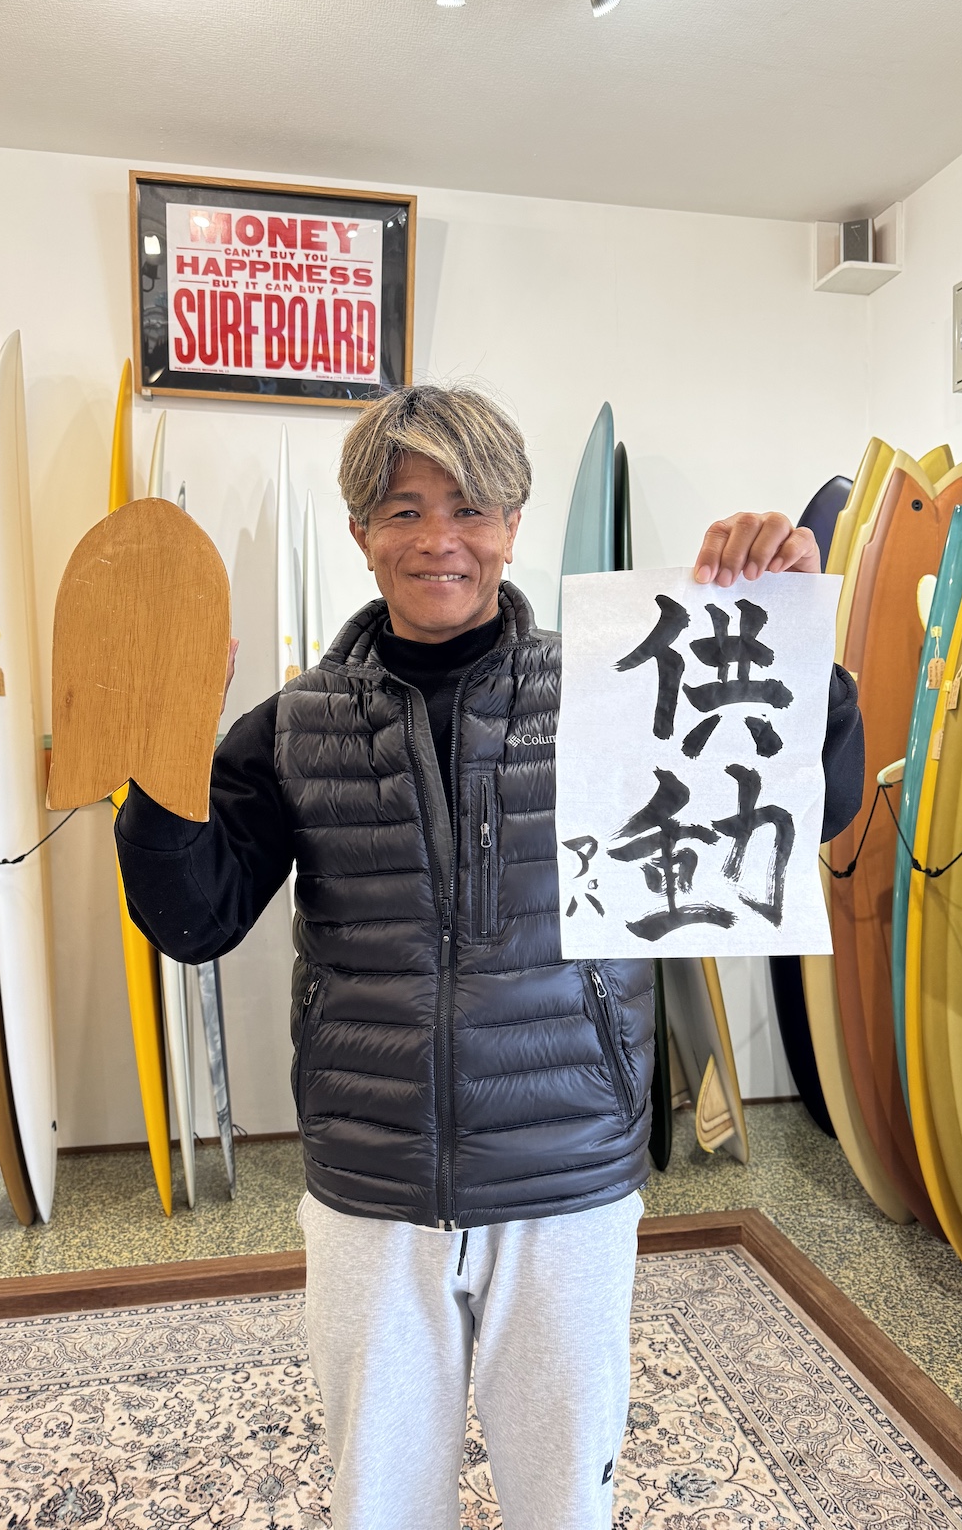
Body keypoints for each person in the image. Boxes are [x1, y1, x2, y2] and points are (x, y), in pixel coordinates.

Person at [115, 385, 863, 1530]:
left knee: (563, 1501)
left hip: (567, 1177)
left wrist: (789, 632)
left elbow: (820, 800)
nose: (439, 539)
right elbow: (193, 917)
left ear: (514, 523)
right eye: (403, 509)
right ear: (361, 531)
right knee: (380, 1503)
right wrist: (162, 749)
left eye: (468, 507)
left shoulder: (620, 685)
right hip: (372, 1186)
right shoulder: (294, 726)